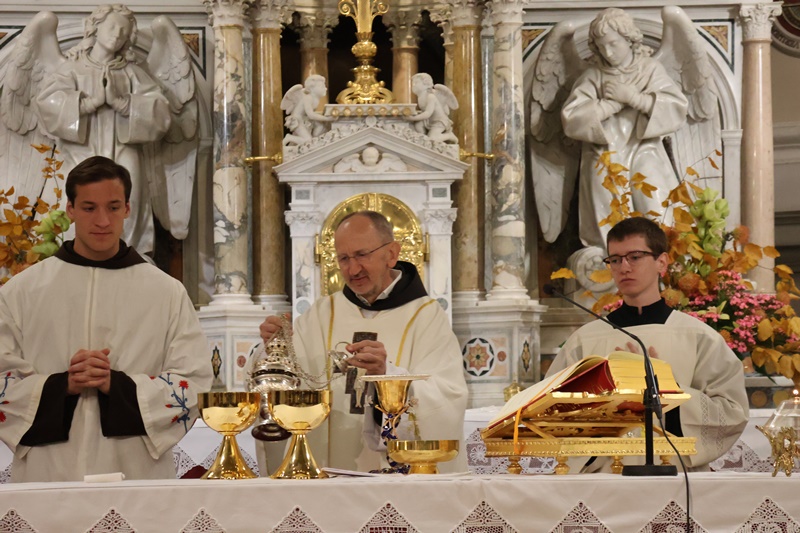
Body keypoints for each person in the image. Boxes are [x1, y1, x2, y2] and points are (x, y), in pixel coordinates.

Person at [0, 156, 212, 482]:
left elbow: (194, 383)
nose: (102, 220)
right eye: (89, 208)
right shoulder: (22, 291)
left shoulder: (166, 292)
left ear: (127, 209)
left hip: (135, 469)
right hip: (48, 470)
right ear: (70, 209)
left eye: (113, 207)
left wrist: (119, 386)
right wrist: (62, 386)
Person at [258, 211, 468, 473]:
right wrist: (274, 347)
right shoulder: (321, 315)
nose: (353, 269)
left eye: (362, 255)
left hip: (397, 482)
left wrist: (388, 378)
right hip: (328, 475)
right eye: (344, 258)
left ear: (391, 254)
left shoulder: (426, 316)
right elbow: (285, 381)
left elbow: (448, 397)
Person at [546, 217, 748, 470]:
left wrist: (666, 391)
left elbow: (731, 414)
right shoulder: (584, 341)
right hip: (603, 480)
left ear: (661, 262)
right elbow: (551, 412)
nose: (624, 267)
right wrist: (607, 403)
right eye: (615, 259)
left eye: (635, 257)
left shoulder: (699, 337)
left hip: (675, 477)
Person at [35, 4, 172, 255]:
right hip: (80, 151)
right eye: (112, 27)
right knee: (79, 199)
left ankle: (128, 258)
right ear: (95, 28)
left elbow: (161, 114)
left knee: (128, 200)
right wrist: (88, 104)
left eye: (124, 30)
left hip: (124, 150)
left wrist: (123, 104)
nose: (117, 34)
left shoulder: (133, 73)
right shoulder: (72, 69)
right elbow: (46, 105)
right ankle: (74, 256)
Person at [561, 8, 688, 248]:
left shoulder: (649, 69)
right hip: (604, 154)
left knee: (655, 204)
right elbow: (572, 119)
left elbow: (676, 109)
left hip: (644, 149)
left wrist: (634, 98)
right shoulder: (593, 76)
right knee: (607, 213)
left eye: (613, 44)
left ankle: (664, 258)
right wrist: (609, 106)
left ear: (629, 39)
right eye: (601, 47)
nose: (608, 52)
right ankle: (609, 261)